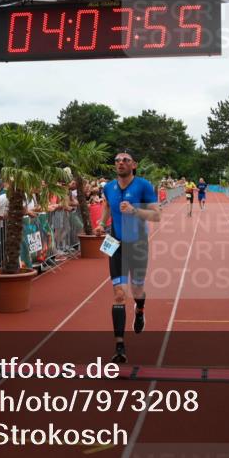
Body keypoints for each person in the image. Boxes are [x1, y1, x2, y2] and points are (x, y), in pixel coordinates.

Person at [94, 149, 160, 364]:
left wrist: (134, 211)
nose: (120, 163)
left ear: (134, 165)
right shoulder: (108, 187)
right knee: (119, 293)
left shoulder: (143, 185)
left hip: (138, 243)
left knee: (137, 289)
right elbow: (106, 205)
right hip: (115, 243)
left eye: (125, 160)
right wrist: (102, 223)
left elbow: (156, 215)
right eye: (117, 160)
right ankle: (120, 346)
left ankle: (140, 309)